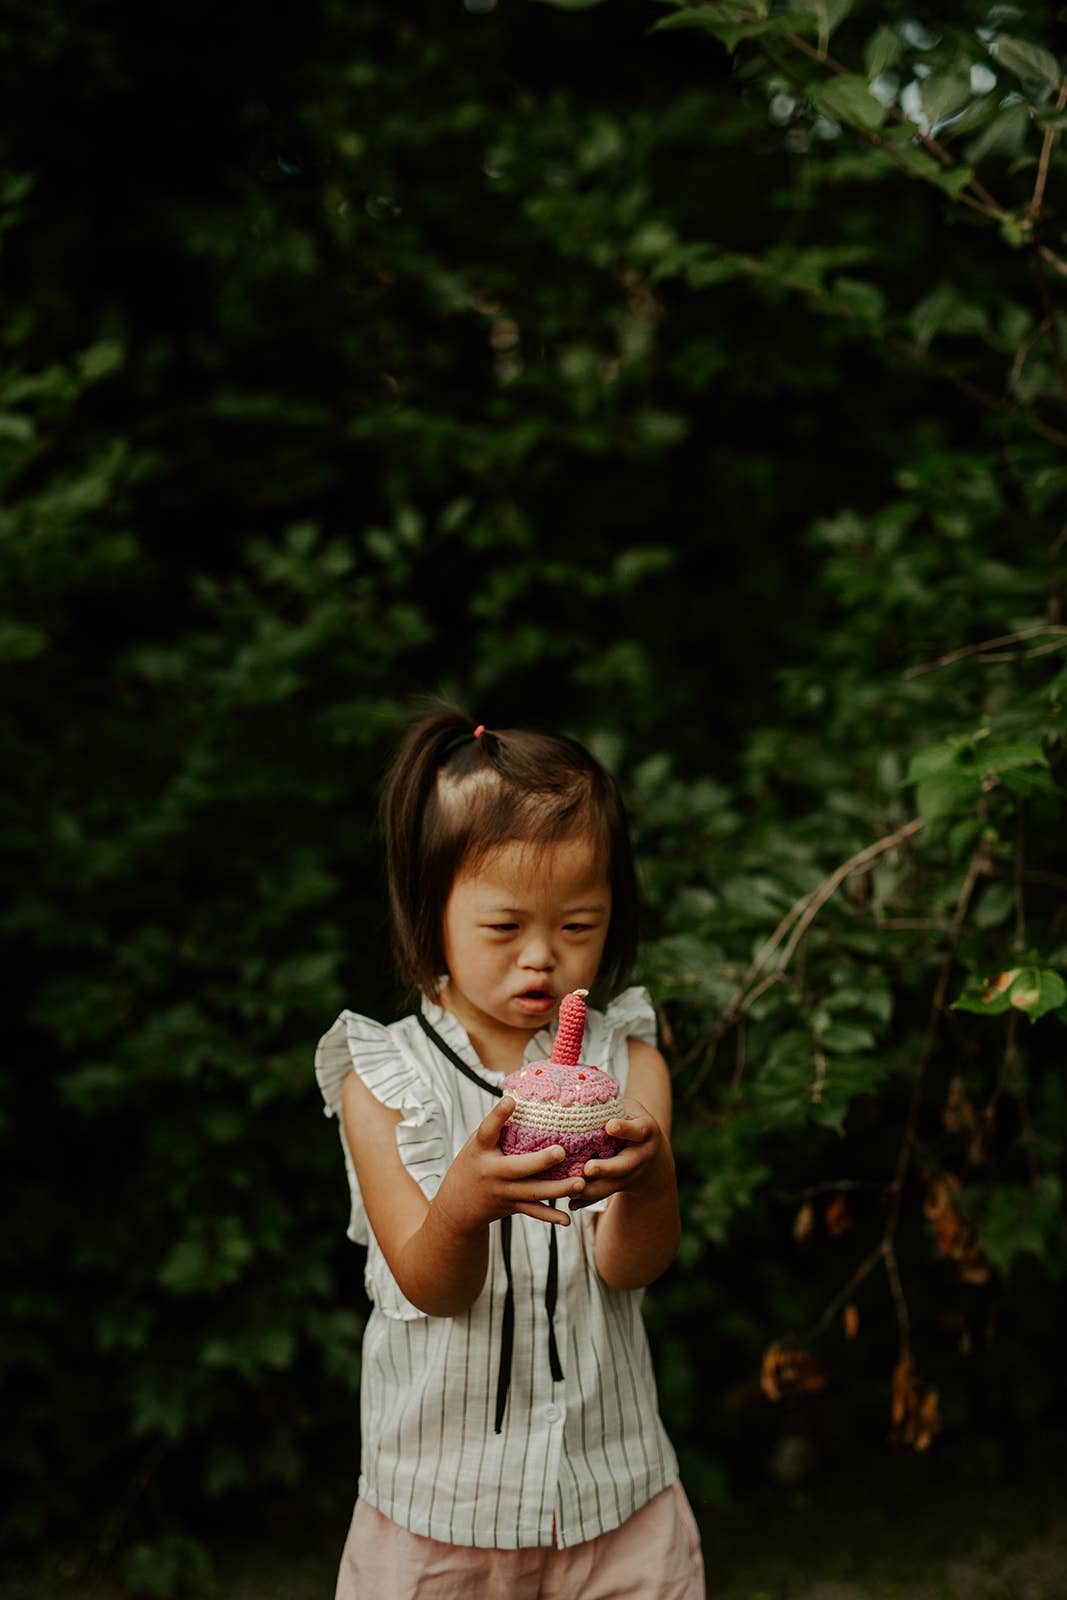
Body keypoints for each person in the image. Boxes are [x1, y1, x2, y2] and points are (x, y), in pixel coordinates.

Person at [314, 701, 706, 1599]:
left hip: (615, 1495)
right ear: (429, 912)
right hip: (440, 1510)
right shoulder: (380, 1081)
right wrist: (466, 1200)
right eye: (504, 928)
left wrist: (649, 1182)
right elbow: (431, 1282)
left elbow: (628, 1266)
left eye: (578, 926)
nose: (544, 960)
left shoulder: (628, 1062)